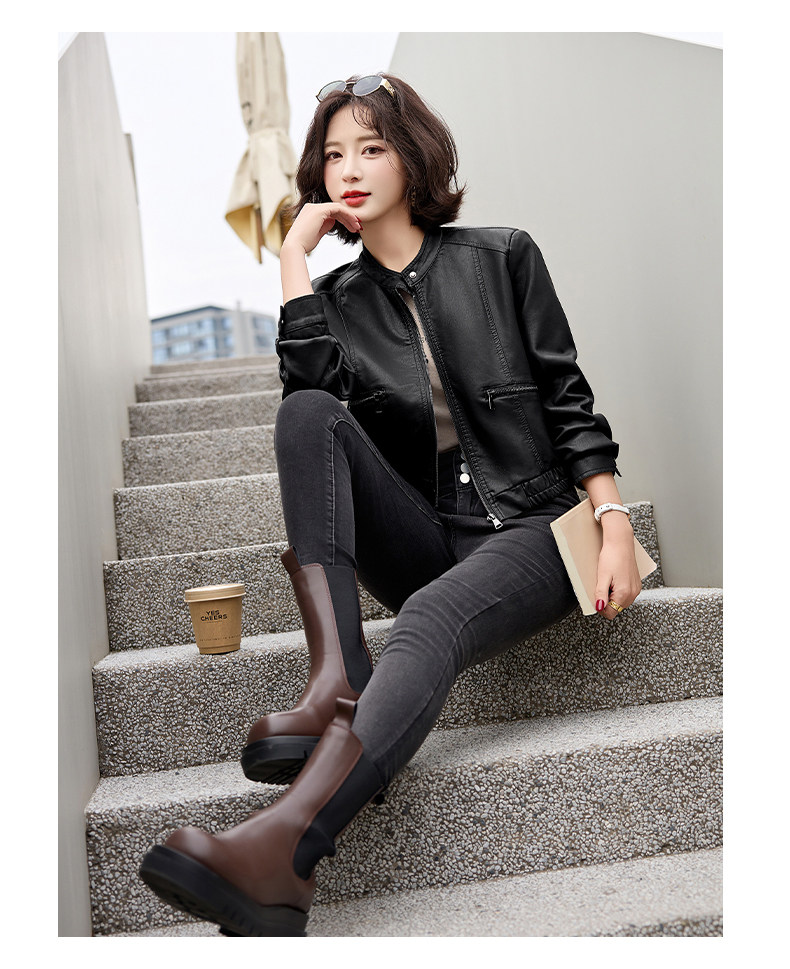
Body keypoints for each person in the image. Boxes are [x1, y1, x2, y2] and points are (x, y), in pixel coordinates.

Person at [140, 72, 642, 937]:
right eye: (334, 154)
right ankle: (338, 671)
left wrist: (614, 520)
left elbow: (567, 399)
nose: (350, 169)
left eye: (371, 148)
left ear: (411, 157)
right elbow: (313, 421)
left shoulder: (501, 255)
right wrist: (293, 266)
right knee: (306, 413)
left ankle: (286, 852)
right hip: (424, 533)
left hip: (528, 525)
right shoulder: (335, 302)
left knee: (428, 622)